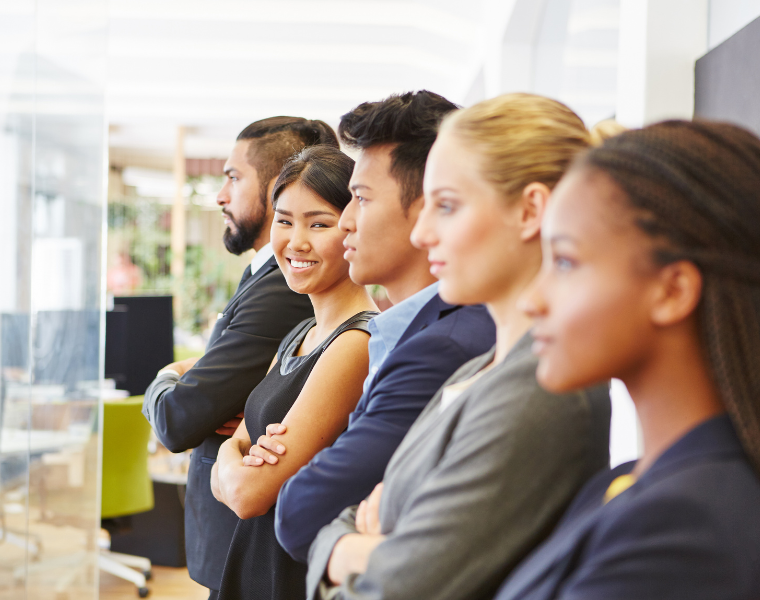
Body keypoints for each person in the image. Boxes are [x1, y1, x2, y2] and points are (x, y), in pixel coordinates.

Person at [306, 93, 612, 600]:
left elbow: (398, 586)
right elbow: (342, 522)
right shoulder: (479, 368)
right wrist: (354, 544)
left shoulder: (542, 388)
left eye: (446, 205)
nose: (424, 233)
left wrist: (345, 550)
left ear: (531, 211)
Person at [493, 120, 760, 600]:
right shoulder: (629, 484)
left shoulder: (686, 525)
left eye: (565, 262)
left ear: (671, 290)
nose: (533, 299)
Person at [244, 91, 495, 563]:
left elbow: (299, 512)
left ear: (428, 207)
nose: (347, 223)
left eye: (359, 199)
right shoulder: (398, 331)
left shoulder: (444, 343)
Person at [141, 117, 332, 595]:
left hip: (244, 536)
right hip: (230, 531)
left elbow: (177, 419)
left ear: (275, 189)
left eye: (232, 177)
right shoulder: (267, 281)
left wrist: (166, 374)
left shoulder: (282, 292)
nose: (221, 196)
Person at [211, 145, 380, 600]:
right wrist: (236, 455)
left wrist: (234, 457)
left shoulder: (356, 343)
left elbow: (249, 496)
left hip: (287, 570)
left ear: (352, 226)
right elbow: (236, 458)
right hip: (252, 560)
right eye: (284, 221)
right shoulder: (300, 333)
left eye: (318, 224)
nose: (295, 241)